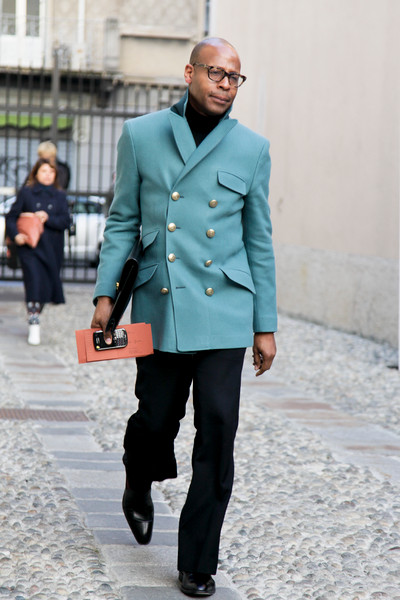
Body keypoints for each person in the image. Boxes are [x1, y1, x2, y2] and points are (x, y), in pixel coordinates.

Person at [91, 37, 277, 597]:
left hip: (225, 308)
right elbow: (122, 220)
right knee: (156, 418)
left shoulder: (252, 148)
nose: (225, 84)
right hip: (161, 301)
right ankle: (138, 476)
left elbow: (259, 240)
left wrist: (264, 325)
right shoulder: (141, 135)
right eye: (216, 73)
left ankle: (198, 559)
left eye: (234, 77)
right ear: (190, 72)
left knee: (218, 428)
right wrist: (105, 296)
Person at [6, 158, 70, 345]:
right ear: (36, 173)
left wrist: (48, 218)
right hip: (30, 247)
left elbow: (66, 221)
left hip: (52, 249)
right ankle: (34, 322)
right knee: (33, 282)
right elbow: (12, 216)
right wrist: (16, 235)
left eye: (51, 172)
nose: (48, 175)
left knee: (47, 288)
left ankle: (34, 312)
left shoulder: (60, 195)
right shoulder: (27, 193)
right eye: (44, 171)